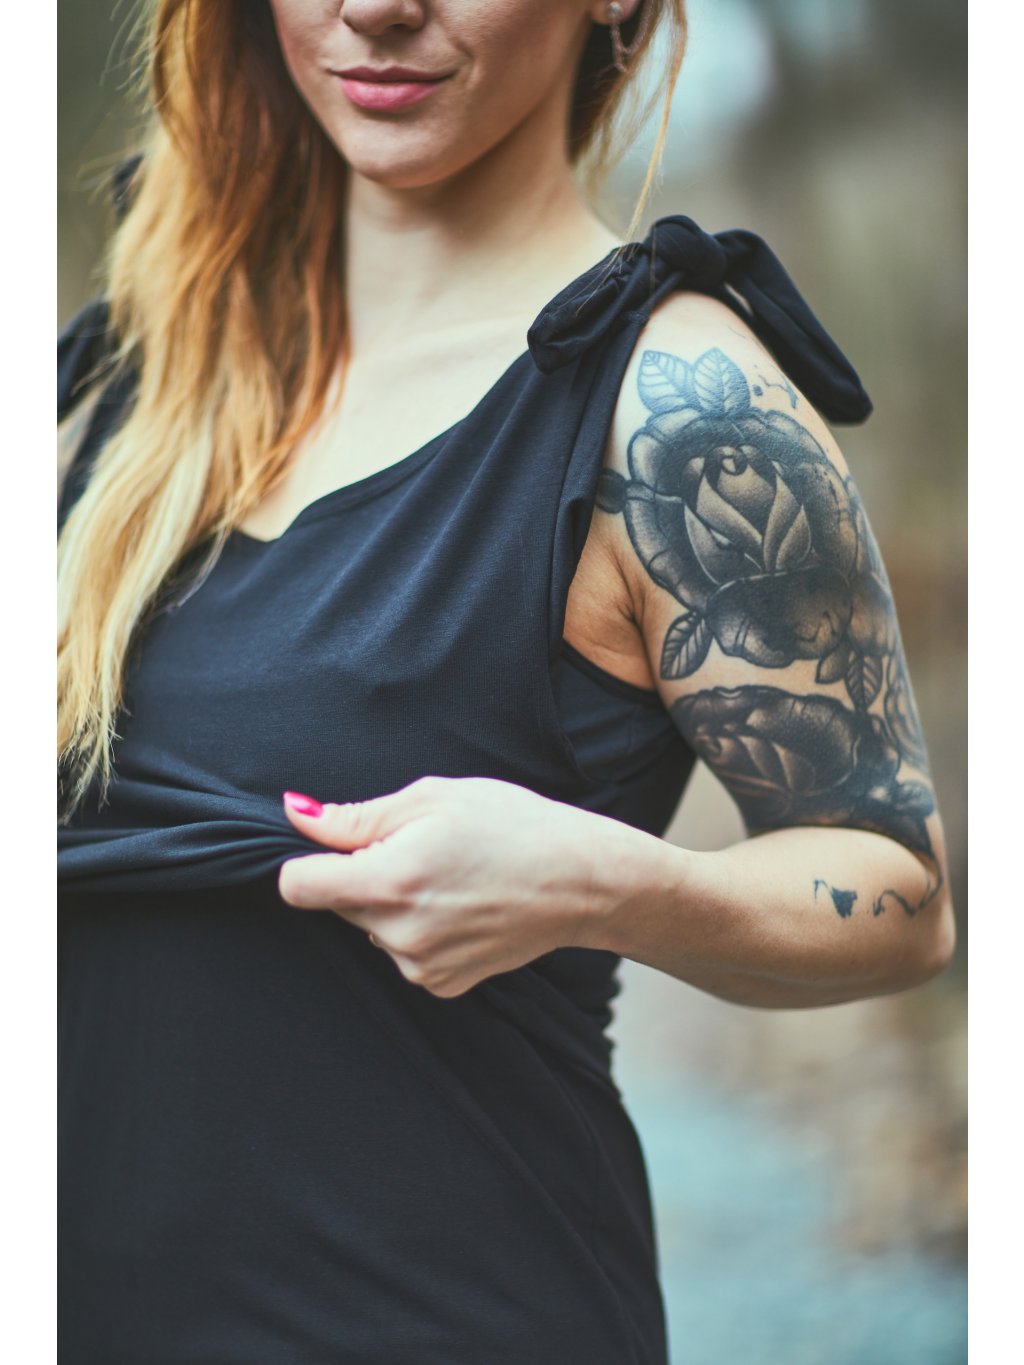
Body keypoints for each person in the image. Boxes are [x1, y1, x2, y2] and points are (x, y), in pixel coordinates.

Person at [57, 1, 956, 1361]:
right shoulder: (150, 359)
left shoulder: (681, 407)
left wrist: (604, 884)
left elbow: (901, 898)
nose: (376, 9)